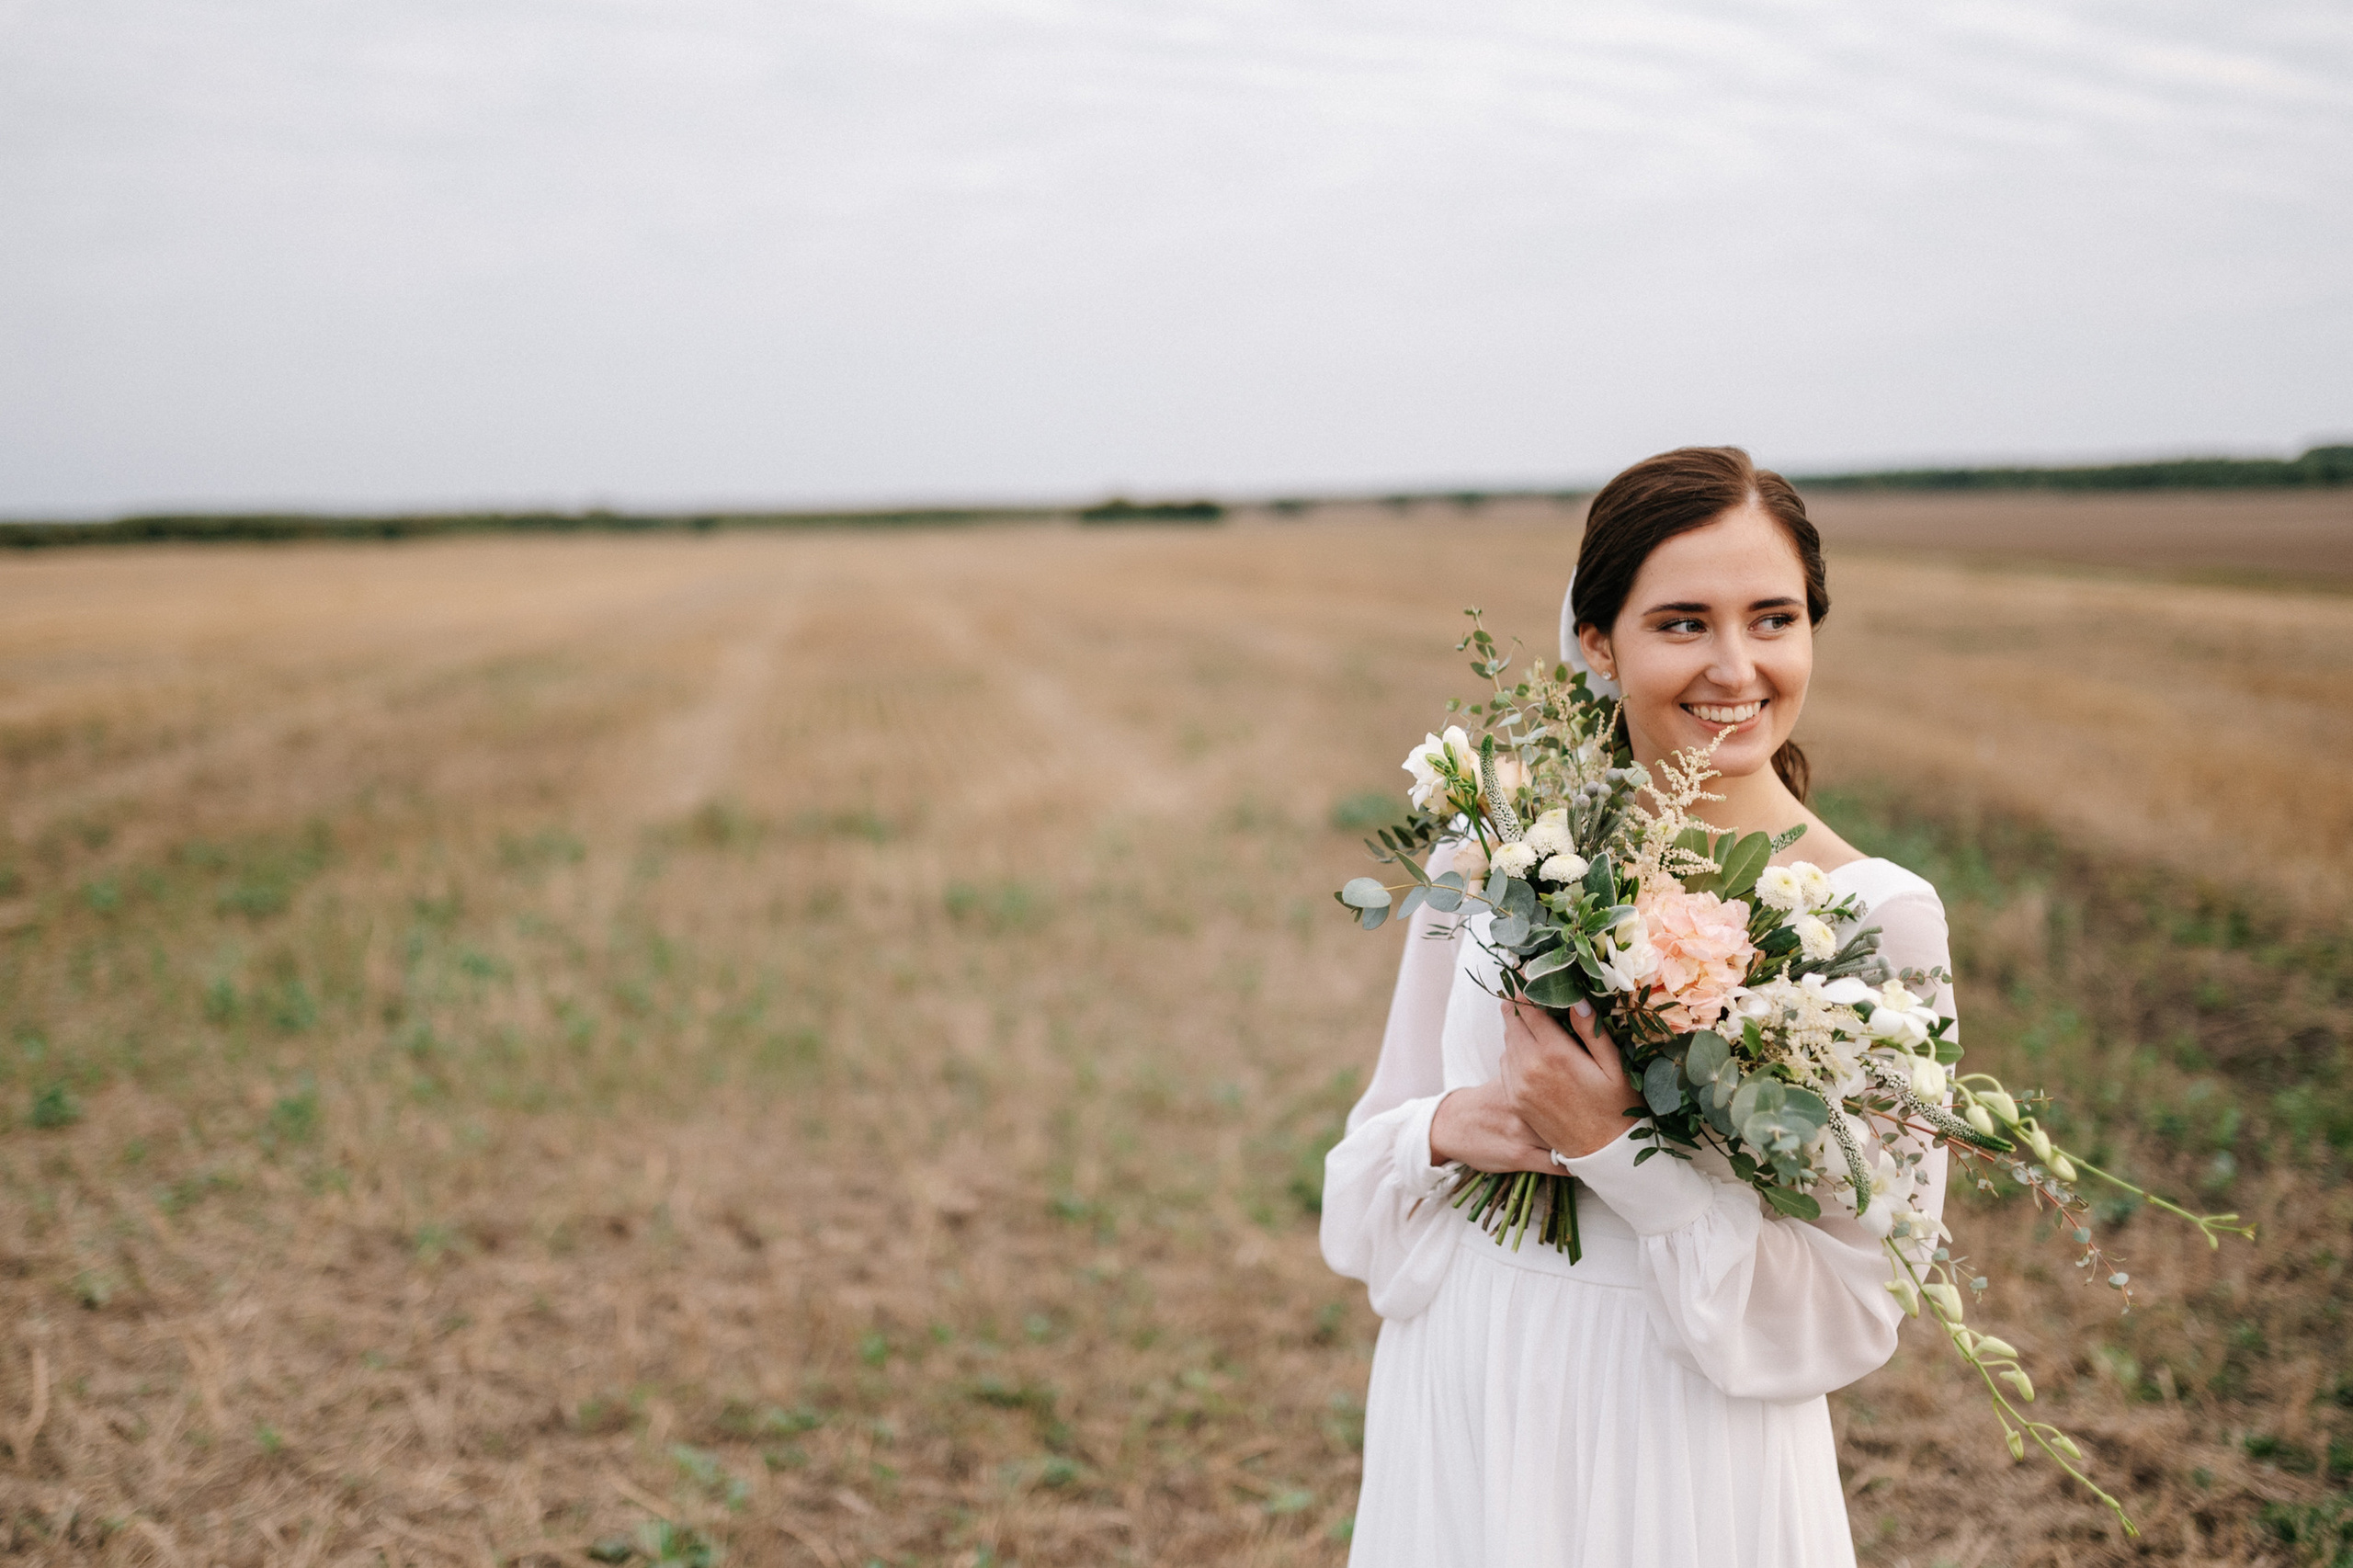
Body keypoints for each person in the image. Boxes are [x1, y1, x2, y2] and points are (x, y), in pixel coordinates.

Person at [1321, 447, 1953, 1567]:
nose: (1734, 665)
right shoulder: (1491, 849)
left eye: (1772, 618)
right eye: (1680, 622)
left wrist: (1615, 1147)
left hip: (1676, 1429)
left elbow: (1858, 1293)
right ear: (1599, 641)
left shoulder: (1875, 922)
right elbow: (1372, 1148)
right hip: (1467, 1375)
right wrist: (1439, 1126)